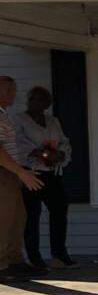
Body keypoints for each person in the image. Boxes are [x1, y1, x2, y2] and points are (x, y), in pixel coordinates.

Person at [14, 86, 76, 270]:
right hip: (32, 173)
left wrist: (59, 155)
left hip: (52, 174)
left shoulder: (52, 121)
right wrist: (44, 155)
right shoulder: (19, 119)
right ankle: (34, 257)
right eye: (33, 99)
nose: (36, 103)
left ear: (47, 104)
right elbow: (20, 144)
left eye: (41, 100)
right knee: (32, 215)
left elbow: (64, 142)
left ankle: (59, 254)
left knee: (59, 209)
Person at [0, 76, 43, 276]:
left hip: (10, 172)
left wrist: (19, 171)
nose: (14, 95)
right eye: (11, 91)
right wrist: (19, 171)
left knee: (18, 217)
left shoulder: (4, 114)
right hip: (3, 173)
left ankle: (15, 260)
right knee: (4, 219)